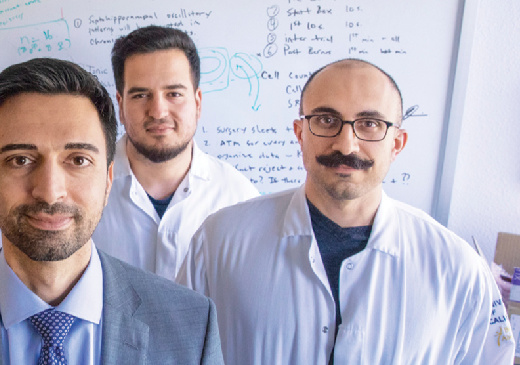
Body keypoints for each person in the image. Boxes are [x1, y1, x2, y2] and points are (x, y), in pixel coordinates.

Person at [0, 58, 223, 364]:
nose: (49, 191)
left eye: (78, 160)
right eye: (20, 160)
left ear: (107, 179)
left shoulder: (192, 327)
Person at [177, 58, 514, 364]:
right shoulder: (219, 241)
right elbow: (178, 351)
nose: (346, 144)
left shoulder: (455, 267)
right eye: (326, 120)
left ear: (397, 143)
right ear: (300, 134)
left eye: (369, 124)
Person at [92, 26, 259, 280]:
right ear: (121, 106)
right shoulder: (84, 188)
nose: (158, 111)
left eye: (174, 94)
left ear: (197, 102)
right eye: (141, 95)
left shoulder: (239, 199)